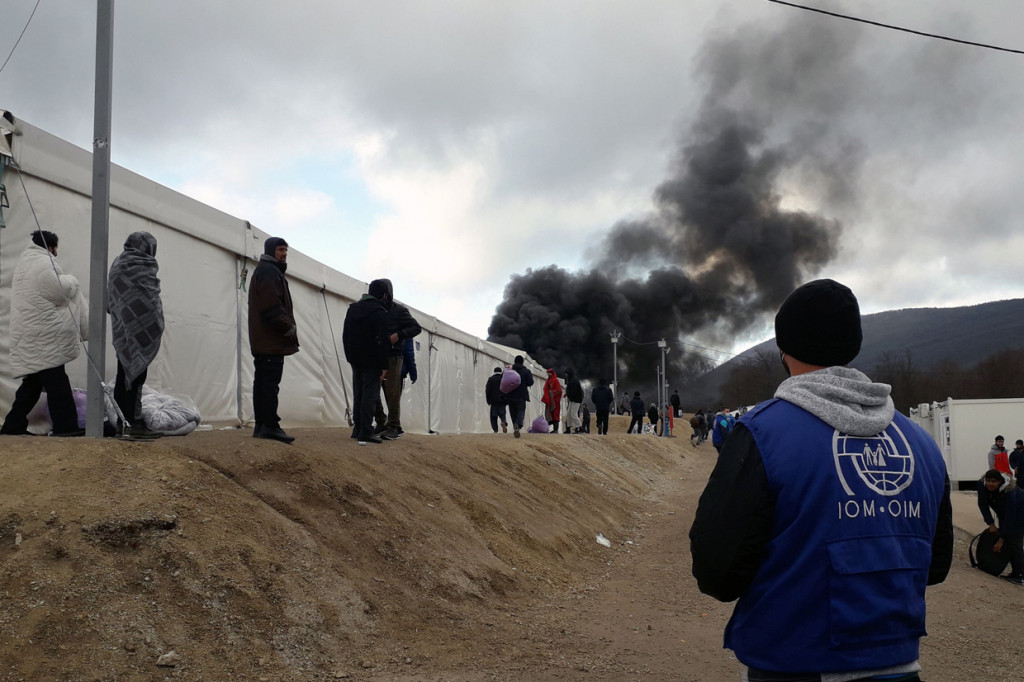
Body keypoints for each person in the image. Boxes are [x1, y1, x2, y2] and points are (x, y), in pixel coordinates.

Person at [690, 278, 953, 682]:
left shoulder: (762, 433)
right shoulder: (920, 442)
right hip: (900, 667)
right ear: (853, 345)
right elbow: (934, 565)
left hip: (793, 665)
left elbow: (717, 570)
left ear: (784, 346)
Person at [1, 230, 87, 437]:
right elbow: (59, 291)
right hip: (45, 335)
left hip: (31, 334)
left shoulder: (25, 263)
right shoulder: (43, 263)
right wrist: (72, 279)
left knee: (33, 383)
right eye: (55, 248)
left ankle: (12, 426)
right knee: (57, 382)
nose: (56, 252)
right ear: (50, 246)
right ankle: (66, 428)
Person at [107, 231, 164, 439]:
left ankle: (126, 422)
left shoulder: (118, 264)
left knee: (126, 374)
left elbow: (112, 298)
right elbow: (147, 295)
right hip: (136, 330)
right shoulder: (140, 265)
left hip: (123, 329)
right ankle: (130, 423)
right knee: (134, 376)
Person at [247, 237, 299, 444]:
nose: (284, 253)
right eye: (280, 250)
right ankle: (269, 425)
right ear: (271, 250)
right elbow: (272, 306)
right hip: (270, 340)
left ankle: (262, 425)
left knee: (263, 382)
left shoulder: (266, 270)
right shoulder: (269, 271)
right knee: (269, 384)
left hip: (264, 339)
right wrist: (288, 327)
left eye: (286, 250)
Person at [342, 279, 395, 445]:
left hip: (355, 358)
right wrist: (384, 365)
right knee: (370, 395)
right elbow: (381, 341)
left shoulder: (352, 309)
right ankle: (366, 430)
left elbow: (345, 335)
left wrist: (349, 356)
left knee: (358, 393)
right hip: (372, 360)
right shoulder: (379, 312)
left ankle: (357, 429)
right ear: (384, 295)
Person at [370, 279, 421, 440]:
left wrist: (398, 336)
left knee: (392, 393)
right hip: (376, 355)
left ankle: (394, 426)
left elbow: (416, 328)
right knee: (372, 389)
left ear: (387, 294)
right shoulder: (374, 310)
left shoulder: (399, 311)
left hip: (393, 356)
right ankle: (381, 421)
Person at [976, 468, 1024, 584]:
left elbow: (1010, 517)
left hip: (1020, 511)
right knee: (1008, 537)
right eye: (988, 481)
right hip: (1004, 512)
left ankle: (1020, 575)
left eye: (994, 481)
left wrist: (1001, 539)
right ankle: (1015, 572)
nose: (990, 484)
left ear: (1000, 482)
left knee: (1014, 540)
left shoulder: (1010, 492)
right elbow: (982, 504)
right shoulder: (981, 486)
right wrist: (991, 524)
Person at [506, 355, 534, 438]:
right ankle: (518, 425)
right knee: (521, 411)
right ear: (522, 362)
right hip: (521, 395)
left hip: (510, 395)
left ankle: (515, 425)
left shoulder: (509, 370)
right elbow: (530, 382)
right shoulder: (526, 371)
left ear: (515, 361)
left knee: (513, 412)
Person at [485, 366, 509, 433]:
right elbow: (507, 389)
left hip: (493, 401)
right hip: (502, 400)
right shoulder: (503, 379)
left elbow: (487, 390)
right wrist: (507, 400)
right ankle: (503, 422)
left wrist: (488, 400)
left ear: (494, 372)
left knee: (493, 416)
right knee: (502, 414)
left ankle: (495, 430)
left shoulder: (491, 379)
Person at [542, 368, 562, 433]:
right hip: (549, 401)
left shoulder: (555, 380)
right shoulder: (548, 380)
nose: (548, 374)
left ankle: (556, 430)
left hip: (555, 402)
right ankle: (547, 429)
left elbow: (559, 391)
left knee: (555, 415)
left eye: (549, 373)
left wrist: (551, 393)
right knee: (549, 414)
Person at [564, 369, 583, 434]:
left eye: (566, 373)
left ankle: (580, 427)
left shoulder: (573, 381)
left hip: (576, 400)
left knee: (573, 414)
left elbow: (573, 391)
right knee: (569, 414)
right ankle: (568, 428)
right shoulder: (572, 380)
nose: (565, 375)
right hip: (572, 399)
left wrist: (568, 394)